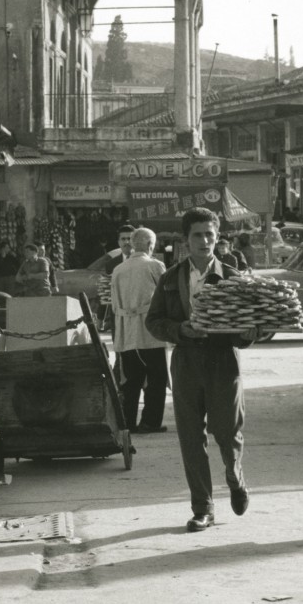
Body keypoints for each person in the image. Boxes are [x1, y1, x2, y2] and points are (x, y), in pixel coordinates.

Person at [146, 207, 260, 532]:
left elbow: (248, 326)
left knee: (228, 432)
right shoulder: (170, 279)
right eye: (198, 234)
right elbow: (153, 321)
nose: (206, 241)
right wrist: (181, 330)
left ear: (217, 237)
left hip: (224, 364)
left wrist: (249, 335)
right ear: (186, 240)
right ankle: (203, 509)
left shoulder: (234, 278)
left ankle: (235, 477)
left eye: (211, 234)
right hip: (186, 366)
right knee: (191, 439)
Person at [110, 227, 169, 433]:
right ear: (150, 245)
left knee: (131, 379)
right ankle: (150, 422)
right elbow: (166, 296)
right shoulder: (154, 265)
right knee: (157, 377)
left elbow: (114, 304)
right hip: (150, 331)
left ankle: (127, 422)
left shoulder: (119, 269)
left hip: (126, 331)